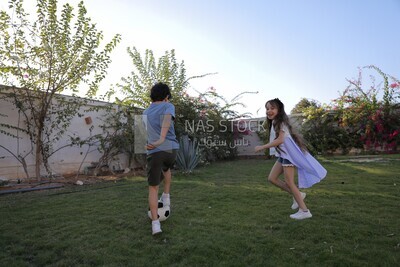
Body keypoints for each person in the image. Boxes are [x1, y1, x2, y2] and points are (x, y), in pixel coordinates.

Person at [254, 98, 327, 220]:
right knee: (272, 178)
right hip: (283, 155)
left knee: (289, 182)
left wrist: (262, 146)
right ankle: (299, 194)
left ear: (279, 110)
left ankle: (304, 210)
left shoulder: (281, 123)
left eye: (272, 108)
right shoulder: (275, 122)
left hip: (288, 156)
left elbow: (280, 140)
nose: (269, 111)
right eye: (267, 108)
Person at [143, 82, 179, 234]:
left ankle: (155, 224)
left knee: (153, 187)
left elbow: (145, 133)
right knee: (167, 168)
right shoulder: (168, 106)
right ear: (166, 96)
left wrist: (157, 141)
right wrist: (162, 138)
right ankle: (166, 196)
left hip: (156, 151)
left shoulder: (145, 112)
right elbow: (166, 120)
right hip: (171, 150)